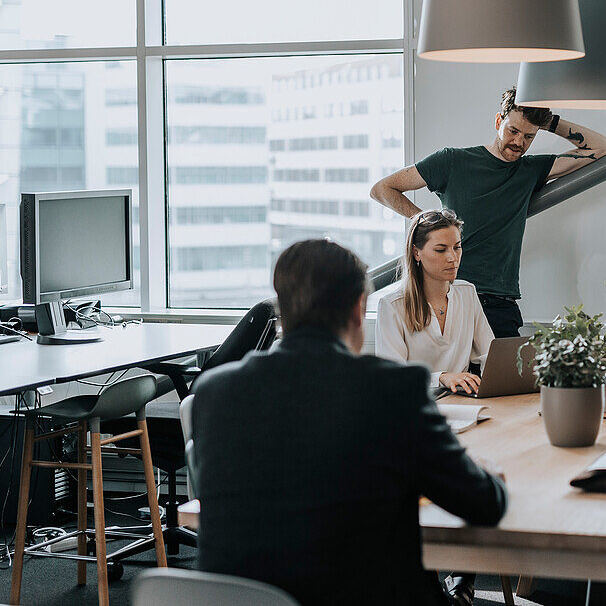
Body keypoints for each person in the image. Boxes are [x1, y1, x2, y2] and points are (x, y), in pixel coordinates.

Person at [191, 239, 507, 606]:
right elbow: (485, 505)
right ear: (359, 309)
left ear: (282, 308)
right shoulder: (393, 389)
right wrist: (487, 473)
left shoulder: (215, 392)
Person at [371, 86, 606, 338]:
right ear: (499, 121)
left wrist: (548, 121)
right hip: (450, 295)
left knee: (504, 377)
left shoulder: (531, 169)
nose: (519, 142)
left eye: (529, 136)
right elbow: (383, 189)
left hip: (499, 303)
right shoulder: (452, 161)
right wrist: (427, 223)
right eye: (513, 130)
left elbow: (601, 146)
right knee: (450, 377)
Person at [376, 209, 493, 395]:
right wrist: (441, 377)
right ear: (416, 253)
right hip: (415, 407)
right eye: (441, 250)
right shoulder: (392, 306)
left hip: (461, 403)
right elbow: (392, 376)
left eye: (457, 247)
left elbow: (490, 355)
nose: (452, 258)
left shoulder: (467, 293)